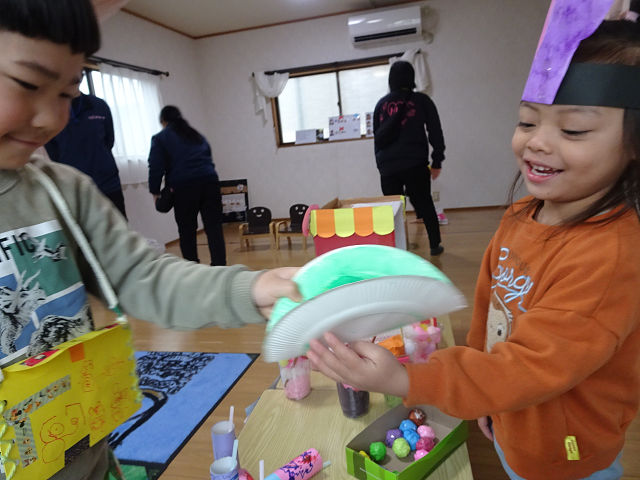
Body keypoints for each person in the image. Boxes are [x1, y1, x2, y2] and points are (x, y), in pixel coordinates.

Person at [309, 18, 640, 480]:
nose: (536, 141)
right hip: (508, 415)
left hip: (564, 454)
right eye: (527, 121)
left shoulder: (611, 258)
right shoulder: (521, 215)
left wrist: (406, 379)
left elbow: (529, 367)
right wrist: (484, 397)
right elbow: (489, 310)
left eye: (574, 129)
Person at [0, 1, 300, 479]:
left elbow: (142, 274)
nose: (50, 118)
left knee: (189, 235)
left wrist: (248, 288)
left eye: (67, 93)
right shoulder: (191, 136)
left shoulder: (63, 190)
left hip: (87, 458)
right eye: (29, 84)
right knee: (204, 232)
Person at [373, 60, 445, 256]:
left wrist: (381, 166)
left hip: (388, 166)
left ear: (391, 80)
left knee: (392, 210)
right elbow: (435, 131)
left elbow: (377, 138)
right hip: (415, 163)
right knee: (425, 203)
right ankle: (434, 245)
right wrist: (437, 160)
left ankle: (394, 248)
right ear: (412, 78)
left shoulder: (381, 104)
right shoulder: (422, 100)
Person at [148, 105, 226, 266]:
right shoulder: (197, 136)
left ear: (163, 121)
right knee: (214, 228)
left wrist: (155, 191)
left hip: (184, 187)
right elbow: (208, 159)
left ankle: (193, 267)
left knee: (187, 231)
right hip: (210, 182)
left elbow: (155, 167)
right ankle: (220, 266)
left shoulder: (160, 138)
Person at [45, 92, 127, 218]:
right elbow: (53, 152)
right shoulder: (50, 109)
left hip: (107, 184)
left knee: (119, 224)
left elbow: (109, 140)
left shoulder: (98, 105)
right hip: (73, 188)